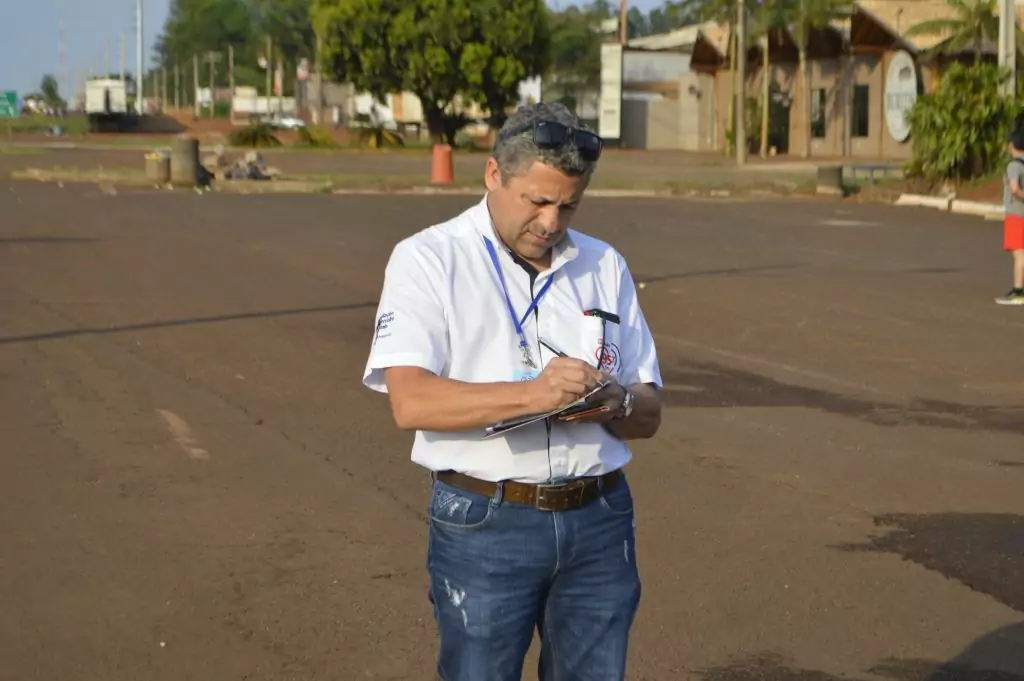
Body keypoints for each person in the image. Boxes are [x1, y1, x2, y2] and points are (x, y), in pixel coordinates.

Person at [362, 101, 663, 681]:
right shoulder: (429, 259)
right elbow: (411, 401)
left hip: (599, 517)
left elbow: (650, 409)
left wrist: (617, 403)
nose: (552, 222)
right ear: (494, 175)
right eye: (537, 201)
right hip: (485, 518)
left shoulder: (605, 266)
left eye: (568, 204)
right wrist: (537, 395)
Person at [997, 127, 1024, 305]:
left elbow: (1014, 189)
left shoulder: (1014, 165)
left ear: (1012, 145)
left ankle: (1018, 291)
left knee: (1019, 254)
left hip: (1016, 214)